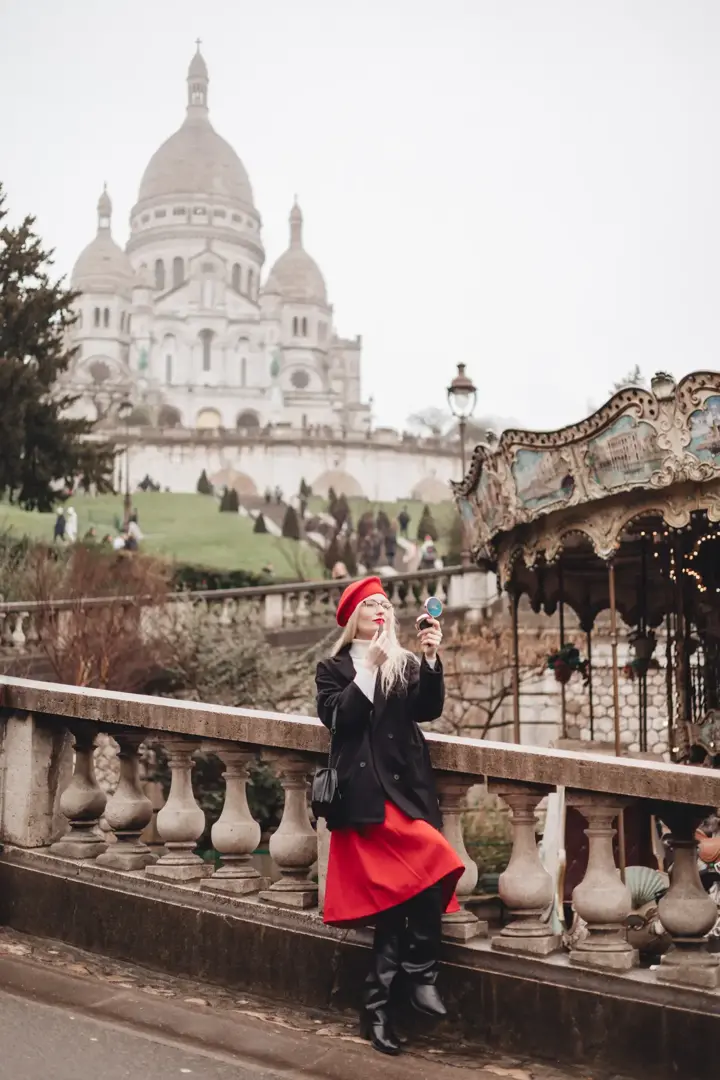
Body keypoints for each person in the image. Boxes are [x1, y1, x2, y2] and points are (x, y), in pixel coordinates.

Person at [315, 577, 463, 1056]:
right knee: (396, 904)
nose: (380, 610)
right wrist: (367, 672)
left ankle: (406, 986)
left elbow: (429, 709)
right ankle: (389, 1004)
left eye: (384, 604)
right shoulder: (332, 668)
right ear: (353, 616)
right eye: (370, 604)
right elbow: (339, 718)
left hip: (405, 796)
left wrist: (431, 658)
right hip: (363, 802)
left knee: (430, 867)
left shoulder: (403, 664)